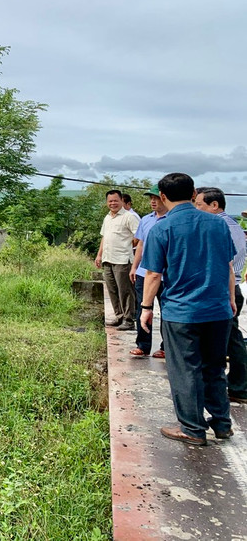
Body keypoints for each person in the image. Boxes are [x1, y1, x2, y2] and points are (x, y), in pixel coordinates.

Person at [140, 173, 236, 446]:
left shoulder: (162, 228)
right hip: (218, 309)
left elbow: (154, 275)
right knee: (214, 367)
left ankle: (193, 429)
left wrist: (146, 307)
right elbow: (228, 265)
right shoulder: (218, 224)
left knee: (185, 370)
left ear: (162, 196)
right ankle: (222, 424)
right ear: (193, 193)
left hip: (182, 312)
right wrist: (230, 299)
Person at [194, 187, 247, 405]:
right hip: (229, 288)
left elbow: (223, 264)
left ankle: (237, 387)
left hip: (225, 289)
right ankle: (237, 386)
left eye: (199, 205)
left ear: (214, 205)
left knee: (229, 340)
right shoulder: (232, 225)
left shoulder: (220, 226)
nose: (196, 209)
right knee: (232, 339)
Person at [128, 185, 166, 358]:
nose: (153, 201)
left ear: (165, 198)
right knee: (142, 308)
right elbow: (140, 245)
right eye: (151, 198)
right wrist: (134, 267)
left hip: (165, 274)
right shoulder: (146, 220)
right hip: (145, 272)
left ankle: (166, 347)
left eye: (156, 198)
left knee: (166, 310)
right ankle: (143, 345)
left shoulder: (171, 220)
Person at [96, 189, 140, 330]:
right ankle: (119, 316)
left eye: (115, 200)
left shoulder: (129, 217)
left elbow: (139, 236)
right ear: (106, 202)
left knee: (125, 291)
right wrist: (99, 255)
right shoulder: (107, 217)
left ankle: (129, 320)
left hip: (123, 260)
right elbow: (104, 237)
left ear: (121, 200)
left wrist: (129, 245)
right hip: (108, 259)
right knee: (112, 290)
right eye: (110, 201)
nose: (113, 203)